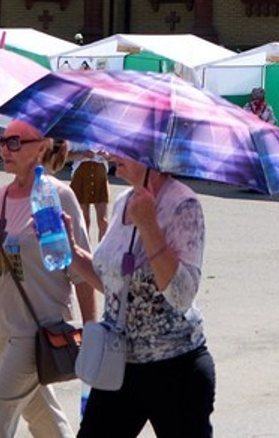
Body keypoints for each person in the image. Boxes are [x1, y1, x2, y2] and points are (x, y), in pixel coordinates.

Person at [0, 119, 96, 438]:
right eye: (2, 141)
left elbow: (81, 274)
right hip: (1, 329)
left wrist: (93, 333)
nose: (4, 148)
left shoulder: (58, 196)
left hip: (39, 329)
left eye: (15, 142)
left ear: (42, 147)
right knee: (42, 416)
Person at [68, 154, 216, 436]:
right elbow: (115, 285)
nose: (111, 154)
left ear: (151, 154)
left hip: (176, 370)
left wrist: (149, 226)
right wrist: (72, 252)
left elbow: (182, 295)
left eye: (123, 147)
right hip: (119, 364)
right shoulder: (124, 200)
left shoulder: (183, 205)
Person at [71, 146, 111, 241]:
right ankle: (86, 252)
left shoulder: (104, 134)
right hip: (80, 176)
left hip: (100, 176)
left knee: (103, 221)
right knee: (84, 221)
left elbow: (114, 156)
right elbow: (65, 155)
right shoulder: (77, 136)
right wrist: (82, 154)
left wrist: (106, 155)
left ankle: (102, 253)